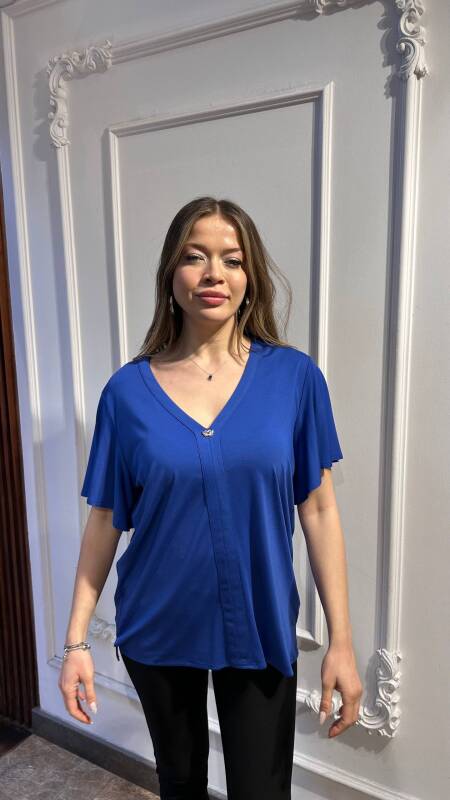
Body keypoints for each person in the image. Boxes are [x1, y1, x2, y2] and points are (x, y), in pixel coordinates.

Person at [59, 197, 363, 800]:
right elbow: (105, 519)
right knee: (179, 784)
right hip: (158, 621)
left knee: (261, 790)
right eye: (194, 257)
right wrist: (75, 642)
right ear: (171, 274)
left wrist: (342, 641)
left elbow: (319, 509)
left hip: (259, 619)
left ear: (250, 278)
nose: (213, 274)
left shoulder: (294, 379)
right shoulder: (127, 392)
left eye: (232, 259)